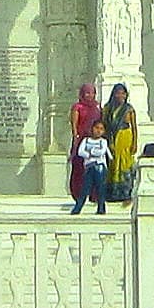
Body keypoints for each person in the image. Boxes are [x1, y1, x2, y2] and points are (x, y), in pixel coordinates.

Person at [63, 84, 100, 212]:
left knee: (95, 167)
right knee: (79, 168)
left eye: (92, 93)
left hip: (94, 141)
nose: (90, 96)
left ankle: (94, 195)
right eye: (87, 93)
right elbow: (74, 125)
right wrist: (75, 140)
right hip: (81, 141)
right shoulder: (77, 107)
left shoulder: (97, 106)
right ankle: (78, 194)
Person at [103, 84, 140, 204]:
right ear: (113, 94)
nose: (120, 96)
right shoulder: (107, 108)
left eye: (123, 93)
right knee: (113, 164)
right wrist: (108, 141)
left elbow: (134, 127)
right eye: (118, 93)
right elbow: (105, 126)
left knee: (124, 164)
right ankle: (112, 193)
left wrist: (135, 143)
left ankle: (125, 192)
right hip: (112, 138)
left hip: (125, 138)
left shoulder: (129, 109)